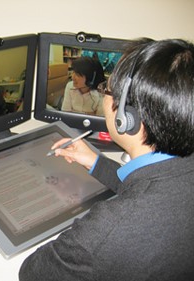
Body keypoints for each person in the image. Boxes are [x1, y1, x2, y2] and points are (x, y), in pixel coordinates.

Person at [19, 38, 194, 280]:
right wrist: (96, 162)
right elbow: (149, 190)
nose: (104, 96)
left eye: (107, 90)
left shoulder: (106, 232)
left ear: (126, 117)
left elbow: (33, 272)